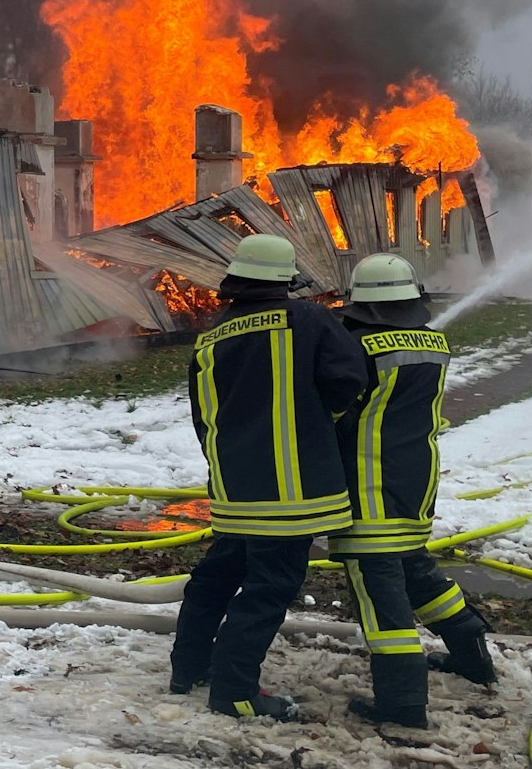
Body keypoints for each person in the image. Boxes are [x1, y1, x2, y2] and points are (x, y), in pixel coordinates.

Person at [170, 234, 369, 721]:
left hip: (236, 491)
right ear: (286, 281)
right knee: (267, 591)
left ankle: (188, 668)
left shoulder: (212, 337)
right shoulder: (309, 319)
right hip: (292, 494)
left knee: (215, 580)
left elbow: (204, 418)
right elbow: (349, 381)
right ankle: (235, 692)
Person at [331, 253, 497, 728]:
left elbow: (336, 411)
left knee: (380, 595)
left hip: (368, 489)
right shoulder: (434, 342)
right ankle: (471, 653)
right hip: (415, 482)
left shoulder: (357, 348)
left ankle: (402, 706)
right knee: (416, 571)